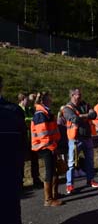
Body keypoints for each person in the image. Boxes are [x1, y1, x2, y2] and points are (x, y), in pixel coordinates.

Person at [63, 88, 98, 194]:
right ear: (72, 95)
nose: (80, 96)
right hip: (75, 139)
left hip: (87, 137)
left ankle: (90, 180)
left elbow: (94, 115)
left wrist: (83, 116)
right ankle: (69, 185)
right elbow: (74, 119)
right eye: (78, 94)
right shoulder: (67, 108)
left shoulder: (86, 105)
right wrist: (86, 116)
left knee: (90, 160)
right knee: (71, 163)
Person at [0, 76, 27, 224]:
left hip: (11, 171)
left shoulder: (14, 111)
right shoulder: (15, 111)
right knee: (11, 210)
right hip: (11, 171)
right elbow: (22, 144)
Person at [31, 92, 63, 206]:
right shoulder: (41, 114)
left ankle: (54, 194)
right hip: (44, 146)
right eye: (50, 98)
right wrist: (52, 147)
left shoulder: (46, 112)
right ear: (45, 100)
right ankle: (48, 199)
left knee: (54, 169)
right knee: (50, 170)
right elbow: (43, 135)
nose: (52, 100)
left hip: (50, 145)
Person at [18, 93, 43, 188]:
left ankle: (36, 178)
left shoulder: (30, 109)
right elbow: (22, 120)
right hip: (23, 139)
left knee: (34, 159)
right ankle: (20, 181)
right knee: (21, 161)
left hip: (32, 139)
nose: (28, 102)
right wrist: (32, 120)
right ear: (22, 99)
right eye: (27, 100)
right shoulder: (18, 110)